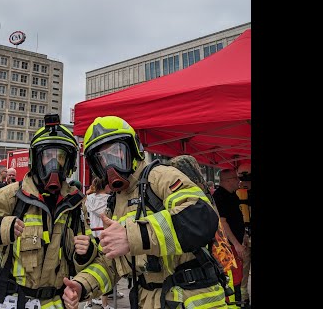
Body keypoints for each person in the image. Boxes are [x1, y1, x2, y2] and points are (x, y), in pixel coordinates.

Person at [62, 116, 227, 309]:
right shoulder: (115, 203)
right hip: (148, 300)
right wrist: (82, 285)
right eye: (102, 160)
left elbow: (201, 218)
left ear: (133, 149)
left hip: (192, 296)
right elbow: (112, 264)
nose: (110, 165)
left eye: (116, 153)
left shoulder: (160, 177)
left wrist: (132, 236)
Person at [0, 114, 97, 309]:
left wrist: (86, 252)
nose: (54, 164)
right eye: (48, 156)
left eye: (61, 157)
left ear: (70, 162)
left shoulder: (75, 203)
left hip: (57, 302)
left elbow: (86, 257)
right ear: (36, 158)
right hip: (13, 301)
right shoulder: (12, 195)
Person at [169, 155, 238, 308]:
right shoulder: (203, 192)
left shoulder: (189, 194)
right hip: (220, 254)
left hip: (208, 258)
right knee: (226, 292)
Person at [213, 168, 246, 304]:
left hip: (234, 245)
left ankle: (237, 302)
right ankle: (233, 304)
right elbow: (223, 223)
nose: (239, 181)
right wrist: (236, 244)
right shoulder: (220, 196)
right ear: (227, 181)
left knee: (237, 278)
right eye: (236, 178)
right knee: (232, 279)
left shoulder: (233, 195)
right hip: (226, 247)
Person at [84, 177, 117, 309]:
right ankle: (105, 303)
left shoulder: (90, 199)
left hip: (93, 236)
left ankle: (89, 301)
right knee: (108, 268)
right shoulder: (109, 199)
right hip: (106, 236)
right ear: (106, 186)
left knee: (91, 269)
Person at [236, 162, 251, 308]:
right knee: (243, 271)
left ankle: (244, 299)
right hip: (244, 238)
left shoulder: (238, 194)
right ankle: (243, 298)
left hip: (244, 237)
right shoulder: (238, 194)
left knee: (243, 271)